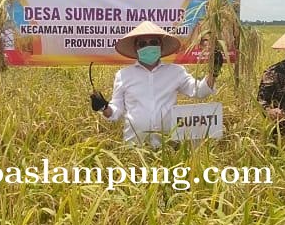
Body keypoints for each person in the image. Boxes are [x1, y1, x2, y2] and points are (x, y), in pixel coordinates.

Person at [89, 21, 222, 147]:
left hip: (168, 146)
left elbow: (199, 91)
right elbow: (116, 111)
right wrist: (103, 107)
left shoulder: (175, 72)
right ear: (136, 48)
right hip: (135, 147)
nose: (148, 46)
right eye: (142, 44)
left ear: (161, 46)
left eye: (153, 42)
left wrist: (213, 73)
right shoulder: (123, 75)